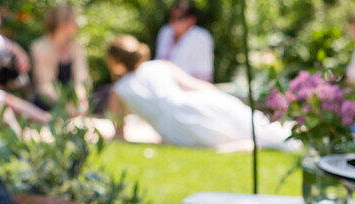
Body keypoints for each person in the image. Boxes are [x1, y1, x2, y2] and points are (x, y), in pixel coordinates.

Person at [106, 35, 291, 151]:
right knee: (244, 125)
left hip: (174, 129)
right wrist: (220, 98)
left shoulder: (119, 90)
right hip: (192, 105)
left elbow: (119, 132)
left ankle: (258, 144)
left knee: (224, 138)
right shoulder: (159, 66)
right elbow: (195, 86)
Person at [30, 5, 89, 110]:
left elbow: (81, 79)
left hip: (73, 99)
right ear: (62, 24)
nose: (76, 25)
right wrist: (66, 106)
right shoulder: (40, 47)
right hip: (49, 100)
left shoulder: (76, 47)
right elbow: (45, 86)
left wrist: (80, 100)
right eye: (73, 21)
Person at [155, 0, 214, 81]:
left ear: (191, 20)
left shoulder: (201, 37)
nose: (174, 22)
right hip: (162, 85)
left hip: (189, 88)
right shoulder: (165, 31)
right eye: (172, 17)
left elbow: (203, 73)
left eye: (179, 18)